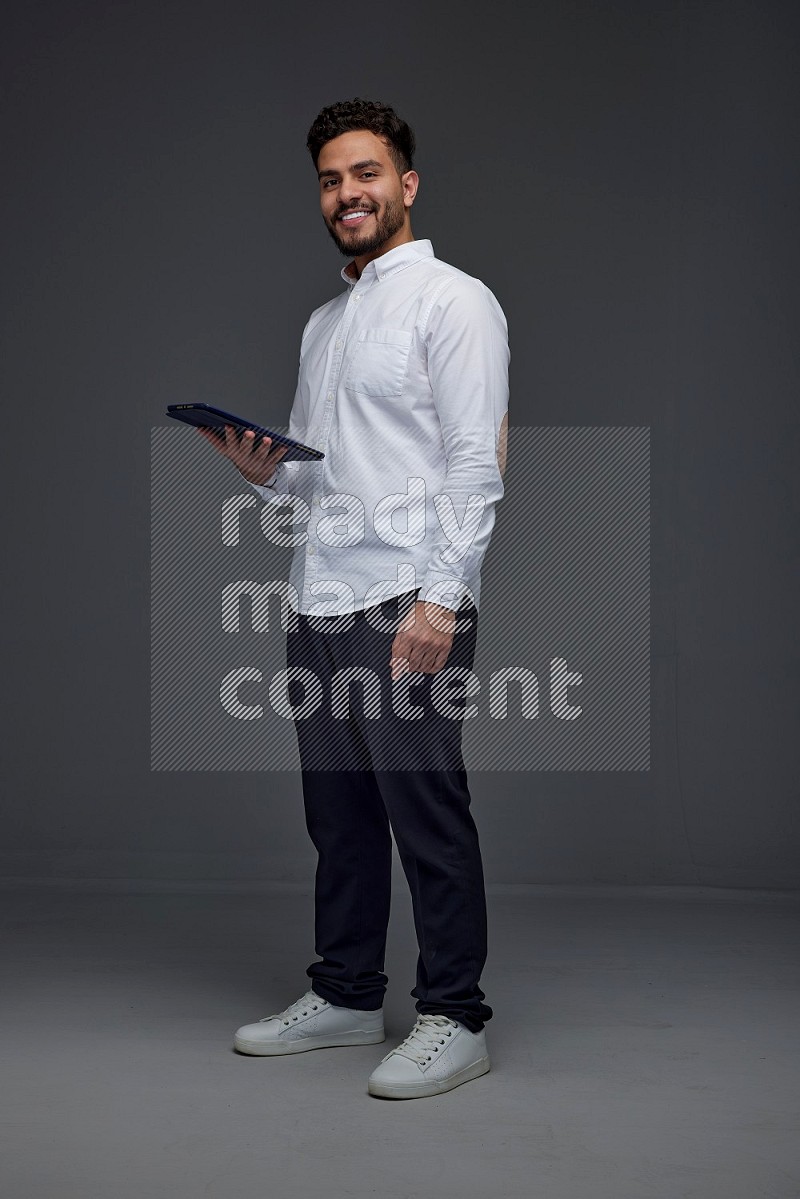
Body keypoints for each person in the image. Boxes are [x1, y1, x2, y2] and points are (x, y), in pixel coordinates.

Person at [198, 97, 509, 1099]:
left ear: (405, 183)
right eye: (332, 179)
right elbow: (312, 478)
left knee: (426, 811)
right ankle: (343, 993)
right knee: (337, 817)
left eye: (365, 173)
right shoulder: (323, 323)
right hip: (319, 597)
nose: (348, 193)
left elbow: (475, 464)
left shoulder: (454, 302)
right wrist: (258, 470)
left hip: (405, 599)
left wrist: (439, 600)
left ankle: (454, 1013)